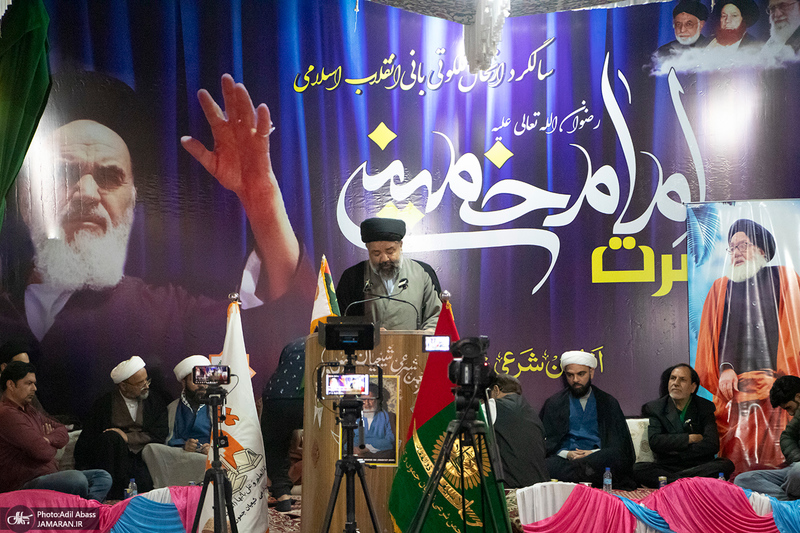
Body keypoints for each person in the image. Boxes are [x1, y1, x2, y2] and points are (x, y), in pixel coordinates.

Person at [0, 69, 315, 421]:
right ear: (27, 197)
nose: (87, 193)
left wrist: (262, 200)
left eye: (109, 177)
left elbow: (281, 327)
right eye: (65, 174)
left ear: (132, 202)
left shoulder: (168, 313)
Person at [695, 219, 800, 472]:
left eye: (742, 245)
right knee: (736, 459)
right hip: (737, 389)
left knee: (780, 452)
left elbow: (794, 333)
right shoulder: (722, 288)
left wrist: (783, 379)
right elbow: (716, 337)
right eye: (732, 248)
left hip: (777, 385)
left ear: (761, 250)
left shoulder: (785, 279)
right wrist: (726, 368)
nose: (736, 252)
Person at [0, 361, 112, 500]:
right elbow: (42, 452)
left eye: (34, 383)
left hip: (50, 477)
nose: (34, 388)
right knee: (77, 479)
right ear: (11, 385)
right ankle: (84, 509)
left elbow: (61, 429)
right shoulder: (7, 414)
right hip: (24, 484)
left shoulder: (30, 410)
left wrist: (48, 438)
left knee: (102, 477)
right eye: (28, 383)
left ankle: (86, 510)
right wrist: (47, 443)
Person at [74, 356, 168, 500]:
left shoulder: (154, 401)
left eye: (147, 380)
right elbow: (88, 441)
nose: (146, 386)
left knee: (143, 481)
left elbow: (160, 433)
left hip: (141, 457)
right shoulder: (103, 405)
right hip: (112, 458)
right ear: (123, 386)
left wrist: (128, 438)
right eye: (140, 383)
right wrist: (118, 439)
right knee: (111, 438)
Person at [540, 350, 636, 489]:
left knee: (612, 457)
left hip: (597, 458)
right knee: (547, 465)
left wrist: (592, 453)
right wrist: (567, 454)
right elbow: (548, 444)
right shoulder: (554, 403)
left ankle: (576, 477)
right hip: (567, 460)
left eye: (581, 374)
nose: (575, 380)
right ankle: (587, 476)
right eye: (570, 375)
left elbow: (619, 446)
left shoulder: (607, 402)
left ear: (591, 372)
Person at [633, 364, 734, 487]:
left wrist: (678, 452)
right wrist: (689, 438)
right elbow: (656, 441)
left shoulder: (705, 407)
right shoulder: (656, 408)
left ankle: (676, 482)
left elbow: (712, 444)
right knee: (637, 469)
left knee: (726, 465)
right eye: (673, 378)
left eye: (682, 380)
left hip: (698, 465)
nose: (675, 383)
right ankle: (691, 482)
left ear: (693, 387)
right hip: (669, 466)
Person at [336, 217, 441, 330]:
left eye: (390, 251)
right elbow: (340, 322)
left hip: (414, 341)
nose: (384, 259)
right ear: (368, 249)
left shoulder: (422, 272)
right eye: (376, 253)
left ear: (400, 245)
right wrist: (369, 332)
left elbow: (436, 317)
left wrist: (425, 335)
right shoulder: (353, 276)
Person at [734, 375, 800, 499]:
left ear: (798, 397)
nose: (791, 413)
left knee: (797, 472)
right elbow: (787, 437)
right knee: (743, 480)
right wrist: (797, 458)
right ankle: (788, 503)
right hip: (794, 469)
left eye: (789, 408)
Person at [261, 337, 305, 512]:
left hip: (275, 396)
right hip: (307, 396)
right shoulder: (329, 343)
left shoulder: (294, 344)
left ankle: (283, 496)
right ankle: (324, 494)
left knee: (275, 447)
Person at [487, 373, 549, 488]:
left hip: (512, 489)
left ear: (496, 389)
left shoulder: (493, 405)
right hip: (539, 488)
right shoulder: (532, 413)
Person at [166, 355, 212, 453]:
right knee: (151, 449)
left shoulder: (217, 405)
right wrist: (183, 445)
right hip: (182, 455)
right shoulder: (172, 408)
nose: (201, 385)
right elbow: (168, 438)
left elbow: (228, 437)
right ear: (184, 382)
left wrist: (213, 448)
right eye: (196, 380)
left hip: (209, 457)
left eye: (204, 379)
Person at [353, 380, 395, 460]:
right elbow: (350, 442)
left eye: (371, 399)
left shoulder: (387, 417)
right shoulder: (356, 417)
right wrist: (377, 442)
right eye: (364, 400)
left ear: (377, 401)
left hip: (380, 456)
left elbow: (389, 442)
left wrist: (366, 448)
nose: (367, 404)